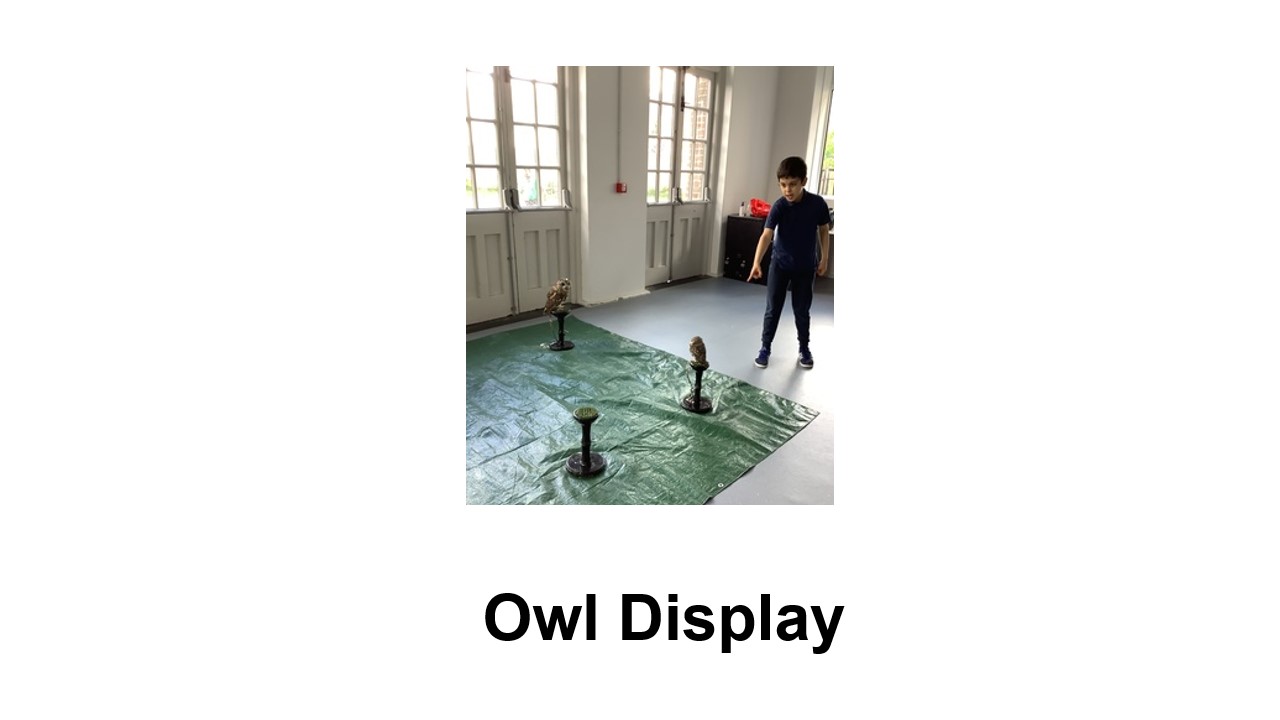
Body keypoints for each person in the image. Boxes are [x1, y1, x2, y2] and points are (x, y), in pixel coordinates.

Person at [748, 156, 831, 369]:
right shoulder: (779, 206)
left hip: (805, 267)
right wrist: (756, 262)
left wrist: (824, 258)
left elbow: (823, 230)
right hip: (780, 265)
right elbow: (767, 235)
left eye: (792, 184)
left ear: (804, 181)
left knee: (802, 311)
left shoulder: (817, 204)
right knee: (772, 309)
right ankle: (765, 348)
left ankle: (804, 348)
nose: (788, 190)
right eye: (783, 185)